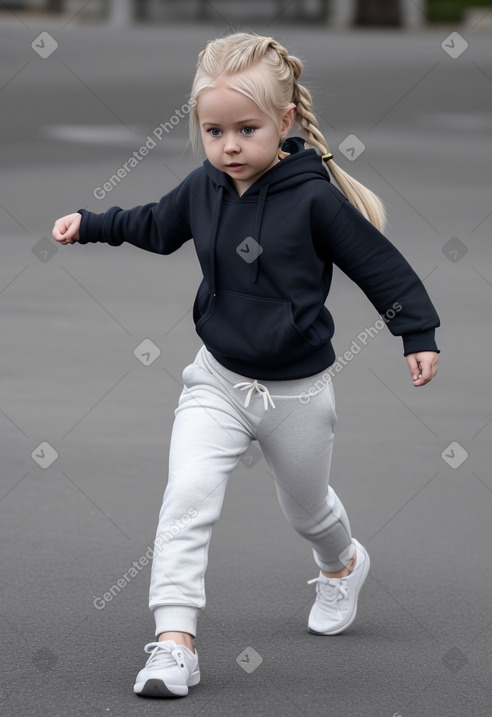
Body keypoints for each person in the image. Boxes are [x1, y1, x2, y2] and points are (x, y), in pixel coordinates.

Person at [52, 31, 440, 699]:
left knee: (309, 509)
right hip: (218, 381)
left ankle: (343, 564)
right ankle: (175, 642)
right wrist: (92, 222)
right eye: (213, 130)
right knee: (187, 499)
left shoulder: (313, 198)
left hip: (297, 393)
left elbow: (380, 266)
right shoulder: (205, 187)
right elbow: (154, 224)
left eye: (246, 129)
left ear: (284, 122)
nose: (229, 145)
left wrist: (418, 331)